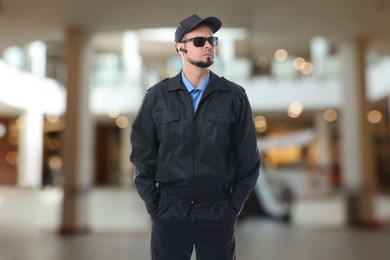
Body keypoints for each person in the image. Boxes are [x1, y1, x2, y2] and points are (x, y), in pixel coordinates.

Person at [130, 14, 261, 260]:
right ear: (181, 47)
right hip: (169, 212)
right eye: (200, 41)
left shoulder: (234, 96)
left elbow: (249, 161)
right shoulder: (157, 97)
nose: (209, 45)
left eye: (212, 40)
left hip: (218, 212)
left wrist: (231, 209)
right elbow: (141, 156)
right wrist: (156, 207)